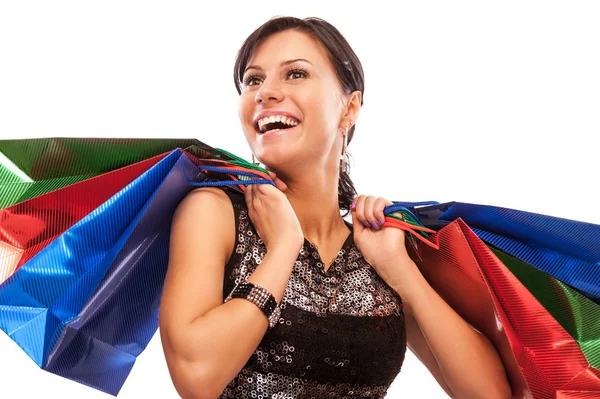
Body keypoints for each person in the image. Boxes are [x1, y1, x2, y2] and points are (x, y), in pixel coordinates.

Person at [158, 16, 511, 399]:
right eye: (253, 80)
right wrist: (283, 248)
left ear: (350, 107)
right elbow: (195, 376)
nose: (265, 93)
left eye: (295, 74)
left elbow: (491, 395)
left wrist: (400, 270)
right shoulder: (213, 210)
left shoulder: (378, 248)